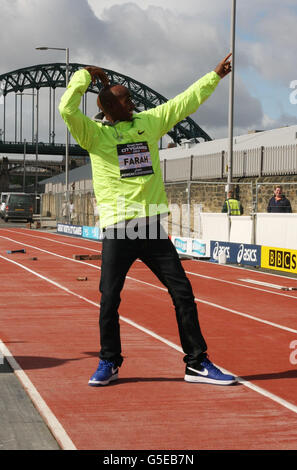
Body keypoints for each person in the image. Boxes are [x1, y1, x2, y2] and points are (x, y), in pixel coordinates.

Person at [59, 53, 237, 387]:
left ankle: (197, 363)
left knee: (182, 293)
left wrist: (214, 76)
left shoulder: (148, 122)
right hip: (119, 228)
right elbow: (67, 109)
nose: (133, 101)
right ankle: (109, 361)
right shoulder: (94, 135)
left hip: (152, 227)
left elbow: (184, 103)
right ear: (110, 107)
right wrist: (83, 76)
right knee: (109, 298)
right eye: (126, 99)